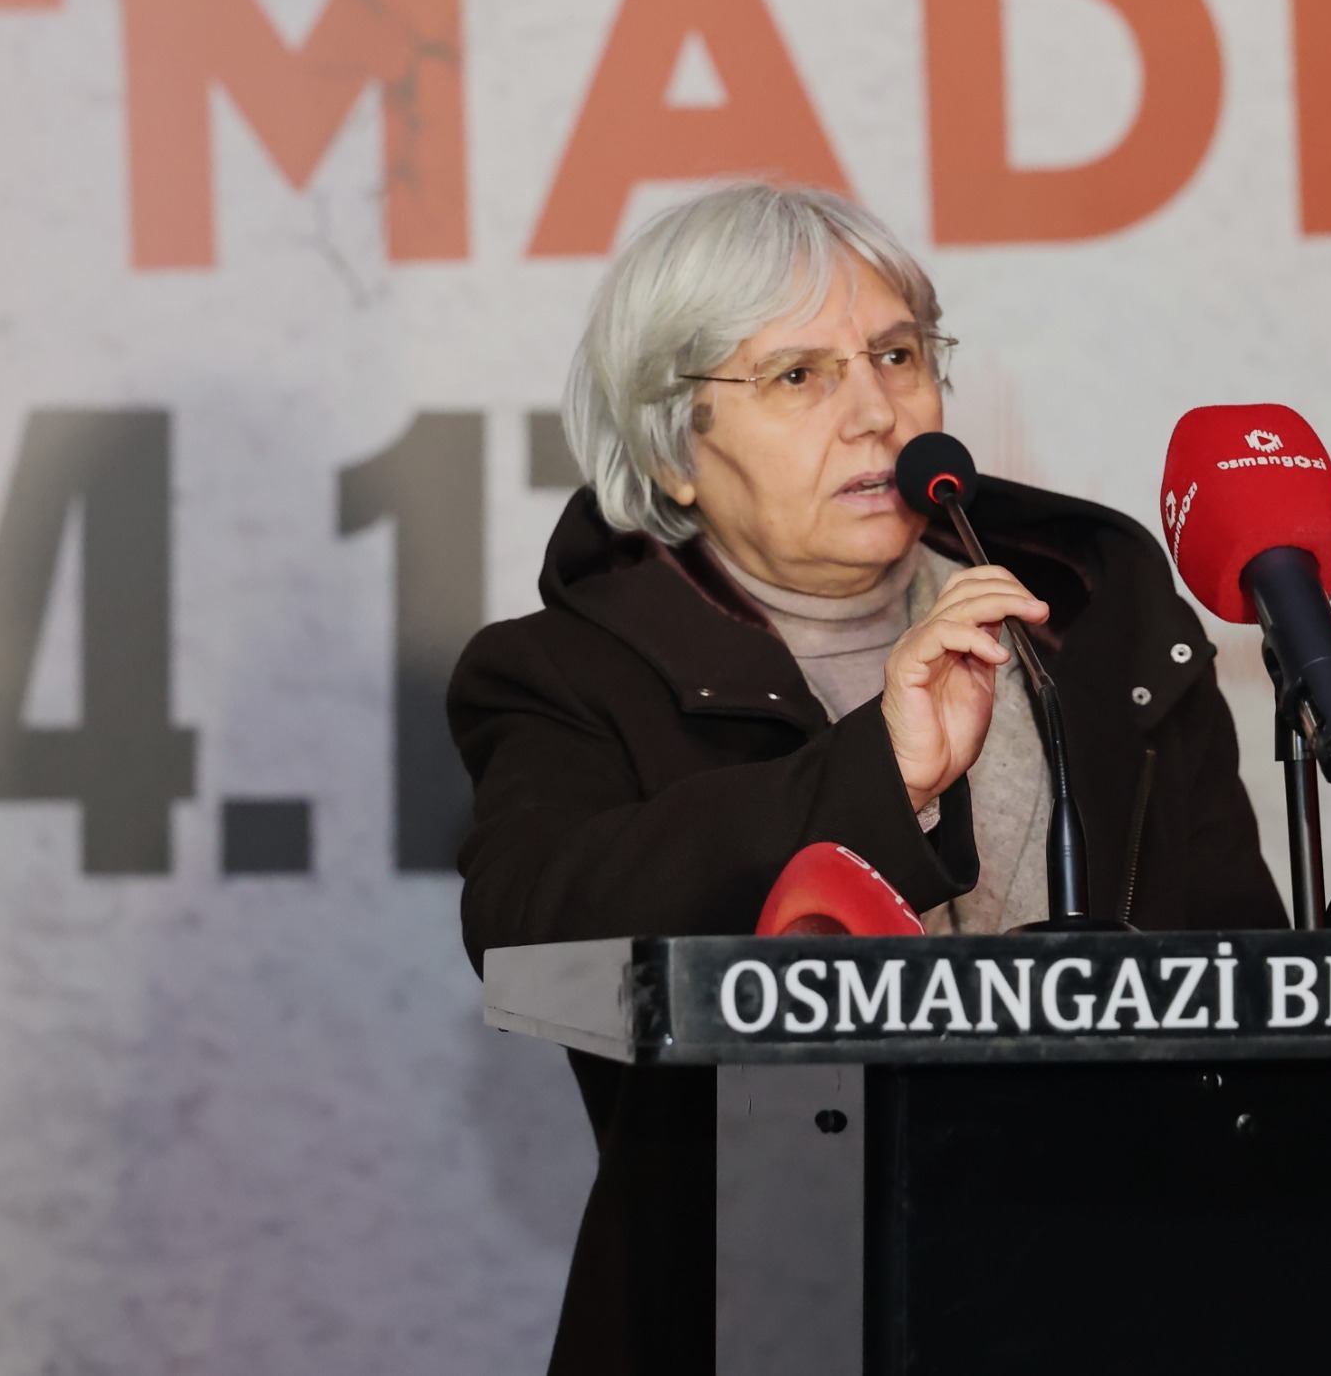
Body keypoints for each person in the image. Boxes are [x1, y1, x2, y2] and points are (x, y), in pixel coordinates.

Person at [448, 180, 1284, 1375]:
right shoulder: (569, 673)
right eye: (797, 374)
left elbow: (1242, 972)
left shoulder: (1092, 624)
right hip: (763, 1320)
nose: (875, 411)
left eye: (897, 354)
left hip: (1126, 1305)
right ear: (674, 448)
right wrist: (876, 775)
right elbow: (529, 925)